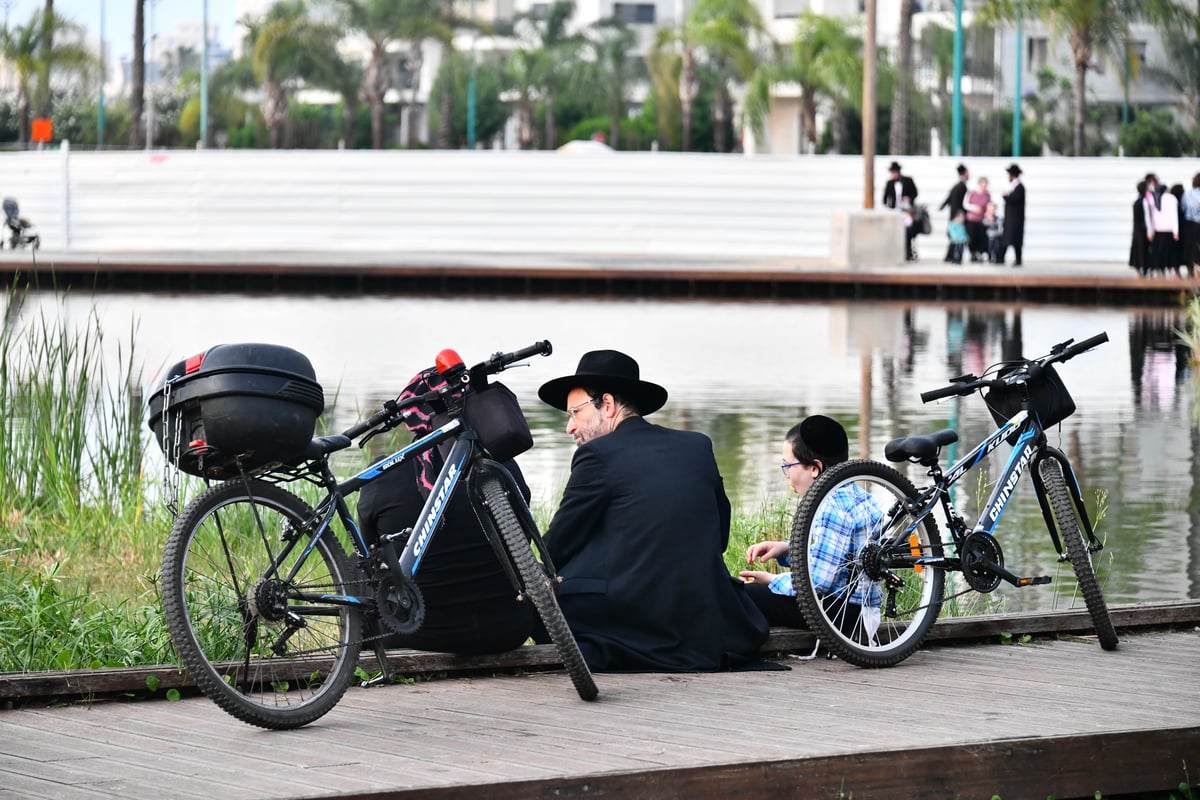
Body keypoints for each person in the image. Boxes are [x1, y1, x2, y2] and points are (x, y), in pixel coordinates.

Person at [536, 349, 769, 671]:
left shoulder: (597, 456)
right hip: (699, 613)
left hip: (632, 610)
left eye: (575, 413)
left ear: (607, 404)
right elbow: (720, 534)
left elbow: (557, 547)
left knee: (537, 609)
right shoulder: (697, 445)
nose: (570, 427)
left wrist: (529, 581)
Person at [357, 368, 536, 654]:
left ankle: (362, 661)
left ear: (411, 416)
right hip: (506, 630)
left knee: (357, 576)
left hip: (415, 635)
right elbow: (522, 541)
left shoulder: (384, 473)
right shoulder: (501, 466)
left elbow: (367, 552)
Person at [739, 415, 882, 636]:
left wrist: (772, 580)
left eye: (788, 466)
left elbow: (817, 582)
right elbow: (839, 558)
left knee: (742, 595)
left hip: (842, 616)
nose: (787, 475)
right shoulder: (857, 495)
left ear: (815, 468)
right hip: (860, 611)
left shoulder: (831, 506)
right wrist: (787, 548)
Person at [882, 161, 920, 261]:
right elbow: (885, 197)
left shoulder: (908, 181)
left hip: (906, 211)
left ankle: (908, 252)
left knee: (908, 231)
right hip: (895, 211)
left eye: (895, 172)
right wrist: (886, 205)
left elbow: (915, 193)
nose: (893, 174)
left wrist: (909, 199)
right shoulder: (889, 183)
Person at [1145, 174, 1179, 277]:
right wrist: (1176, 231)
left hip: (1157, 229)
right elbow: (1174, 215)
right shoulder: (1171, 198)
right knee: (1168, 253)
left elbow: (1149, 216)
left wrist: (1150, 231)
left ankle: (1157, 273)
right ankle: (1169, 273)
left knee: (1157, 253)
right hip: (1168, 229)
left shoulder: (1153, 199)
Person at [939, 164, 970, 263]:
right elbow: (960, 202)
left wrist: (942, 206)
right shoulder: (961, 187)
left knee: (953, 236)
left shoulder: (956, 186)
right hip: (957, 215)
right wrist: (960, 215)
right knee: (958, 236)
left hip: (954, 213)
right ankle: (954, 256)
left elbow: (949, 198)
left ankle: (950, 256)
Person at [998, 163, 1026, 267]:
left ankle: (1004, 258)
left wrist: (1006, 196)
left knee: (1012, 240)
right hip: (1011, 219)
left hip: (1015, 220)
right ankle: (1001, 258)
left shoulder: (1019, 187)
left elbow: (1015, 200)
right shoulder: (1015, 187)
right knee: (1009, 240)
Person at [964, 176, 992, 262]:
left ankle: (980, 254)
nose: (984, 186)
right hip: (971, 219)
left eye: (985, 184)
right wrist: (974, 208)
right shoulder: (972, 193)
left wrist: (989, 214)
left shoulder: (987, 195)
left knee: (981, 238)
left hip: (981, 220)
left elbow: (988, 206)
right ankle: (973, 253)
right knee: (972, 237)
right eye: (983, 184)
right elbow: (965, 204)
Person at [1181, 173, 1200, 279]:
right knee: (1198, 248)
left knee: (1189, 247)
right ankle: (1198, 274)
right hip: (1198, 223)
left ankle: (1190, 272)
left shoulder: (1187, 193)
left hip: (1188, 223)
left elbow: (1183, 207)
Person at [1130, 180, 1149, 276]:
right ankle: (1144, 270)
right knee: (1143, 250)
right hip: (1142, 229)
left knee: (1136, 249)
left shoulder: (1135, 201)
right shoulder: (1144, 201)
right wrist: (1150, 231)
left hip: (1136, 229)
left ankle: (1137, 272)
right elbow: (1147, 218)